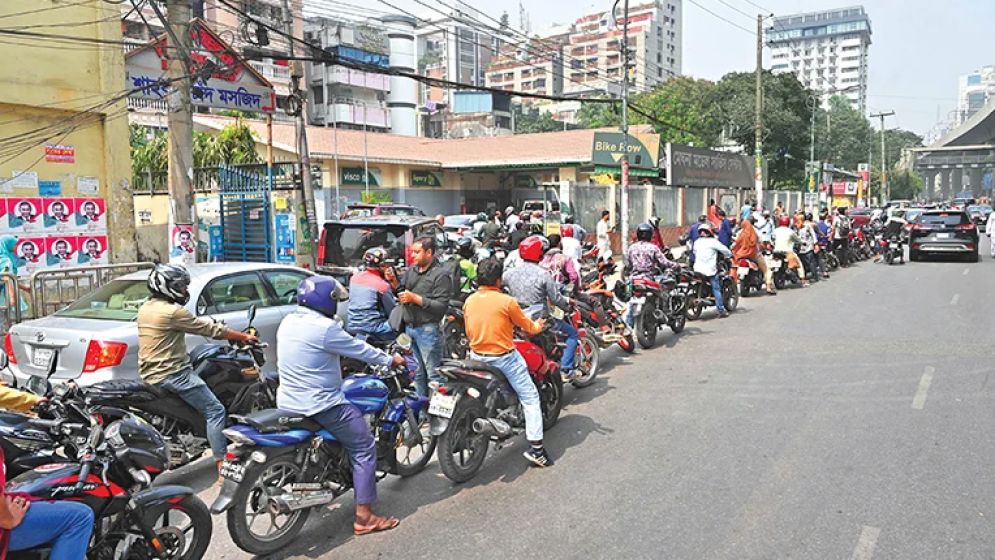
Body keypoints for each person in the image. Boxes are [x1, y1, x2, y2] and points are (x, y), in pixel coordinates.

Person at [277, 275, 405, 535]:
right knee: (364, 445)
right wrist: (391, 360)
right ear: (326, 301)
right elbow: (360, 349)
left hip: (287, 400)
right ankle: (365, 517)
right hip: (321, 404)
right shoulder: (325, 328)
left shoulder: (289, 320)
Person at [137, 264, 259, 474]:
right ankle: (223, 464)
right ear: (168, 287)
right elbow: (209, 329)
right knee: (215, 411)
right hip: (173, 374)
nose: (185, 291)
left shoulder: (146, 307)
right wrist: (244, 336)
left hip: (150, 373)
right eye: (181, 286)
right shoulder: (172, 312)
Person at [462, 258, 553, 467]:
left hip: (476, 356)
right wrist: (539, 325)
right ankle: (537, 450)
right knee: (530, 398)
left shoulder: (470, 300)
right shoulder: (506, 301)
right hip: (503, 357)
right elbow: (528, 327)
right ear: (498, 279)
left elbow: (469, 330)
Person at [503, 236, 578, 381]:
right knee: (572, 335)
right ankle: (565, 369)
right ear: (539, 253)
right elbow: (556, 299)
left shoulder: (508, 274)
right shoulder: (543, 274)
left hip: (517, 320)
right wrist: (567, 306)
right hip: (541, 320)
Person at [398, 237, 452, 397]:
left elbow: (441, 306)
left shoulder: (441, 275)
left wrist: (416, 299)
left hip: (428, 330)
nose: (413, 255)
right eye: (412, 252)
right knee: (418, 374)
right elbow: (401, 290)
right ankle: (421, 414)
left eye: (417, 252)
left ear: (429, 253)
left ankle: (438, 416)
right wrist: (394, 282)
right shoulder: (411, 271)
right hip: (410, 329)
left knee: (434, 375)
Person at [347, 247, 399, 343]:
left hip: (352, 325)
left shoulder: (354, 278)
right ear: (382, 266)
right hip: (374, 329)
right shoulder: (382, 285)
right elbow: (392, 313)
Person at [692, 223, 733, 318]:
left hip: (697, 269)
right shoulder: (713, 242)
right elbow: (725, 250)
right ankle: (721, 309)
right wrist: (730, 255)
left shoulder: (697, 242)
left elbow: (694, 252)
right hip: (709, 270)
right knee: (716, 288)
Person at [732, 217, 775, 295]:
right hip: (754, 255)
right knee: (767, 270)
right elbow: (761, 243)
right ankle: (768, 287)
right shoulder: (756, 232)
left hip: (741, 255)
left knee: (733, 266)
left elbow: (735, 244)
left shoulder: (740, 232)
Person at [772, 216, 808, 287]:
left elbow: (772, 239)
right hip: (787, 252)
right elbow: (798, 240)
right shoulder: (790, 231)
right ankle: (803, 280)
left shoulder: (775, 230)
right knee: (799, 264)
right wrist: (803, 242)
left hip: (776, 251)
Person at [798, 213, 820, 282]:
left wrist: (816, 244)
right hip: (800, 248)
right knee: (802, 263)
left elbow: (813, 235)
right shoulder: (796, 227)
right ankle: (803, 276)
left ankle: (814, 276)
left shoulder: (807, 226)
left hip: (808, 247)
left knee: (811, 262)